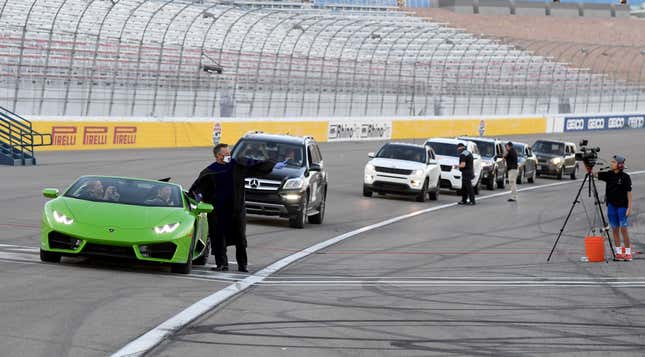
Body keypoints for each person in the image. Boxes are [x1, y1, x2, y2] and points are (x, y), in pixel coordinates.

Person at [190, 143, 280, 273]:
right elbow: (199, 189)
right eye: (226, 154)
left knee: (240, 239)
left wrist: (272, 164)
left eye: (229, 154)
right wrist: (198, 195)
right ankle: (222, 265)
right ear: (218, 156)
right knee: (218, 238)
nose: (228, 156)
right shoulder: (210, 172)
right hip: (218, 212)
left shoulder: (237, 166)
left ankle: (242, 265)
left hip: (237, 210)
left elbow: (255, 166)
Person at [597, 155, 633, 261]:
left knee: (623, 229)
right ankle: (618, 252)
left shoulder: (626, 177)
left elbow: (629, 194)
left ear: (620, 164)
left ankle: (627, 253)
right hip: (611, 205)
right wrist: (587, 164)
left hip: (622, 206)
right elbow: (593, 174)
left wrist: (629, 208)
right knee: (615, 229)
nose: (611, 163)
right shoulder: (609, 175)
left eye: (613, 162)